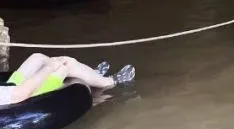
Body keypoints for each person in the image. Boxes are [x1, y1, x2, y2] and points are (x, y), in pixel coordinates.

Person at [0, 54, 135, 106]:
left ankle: (90, 74)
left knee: (38, 58)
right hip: (20, 95)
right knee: (67, 64)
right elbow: (21, 94)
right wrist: (48, 69)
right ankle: (108, 82)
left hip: (8, 88)